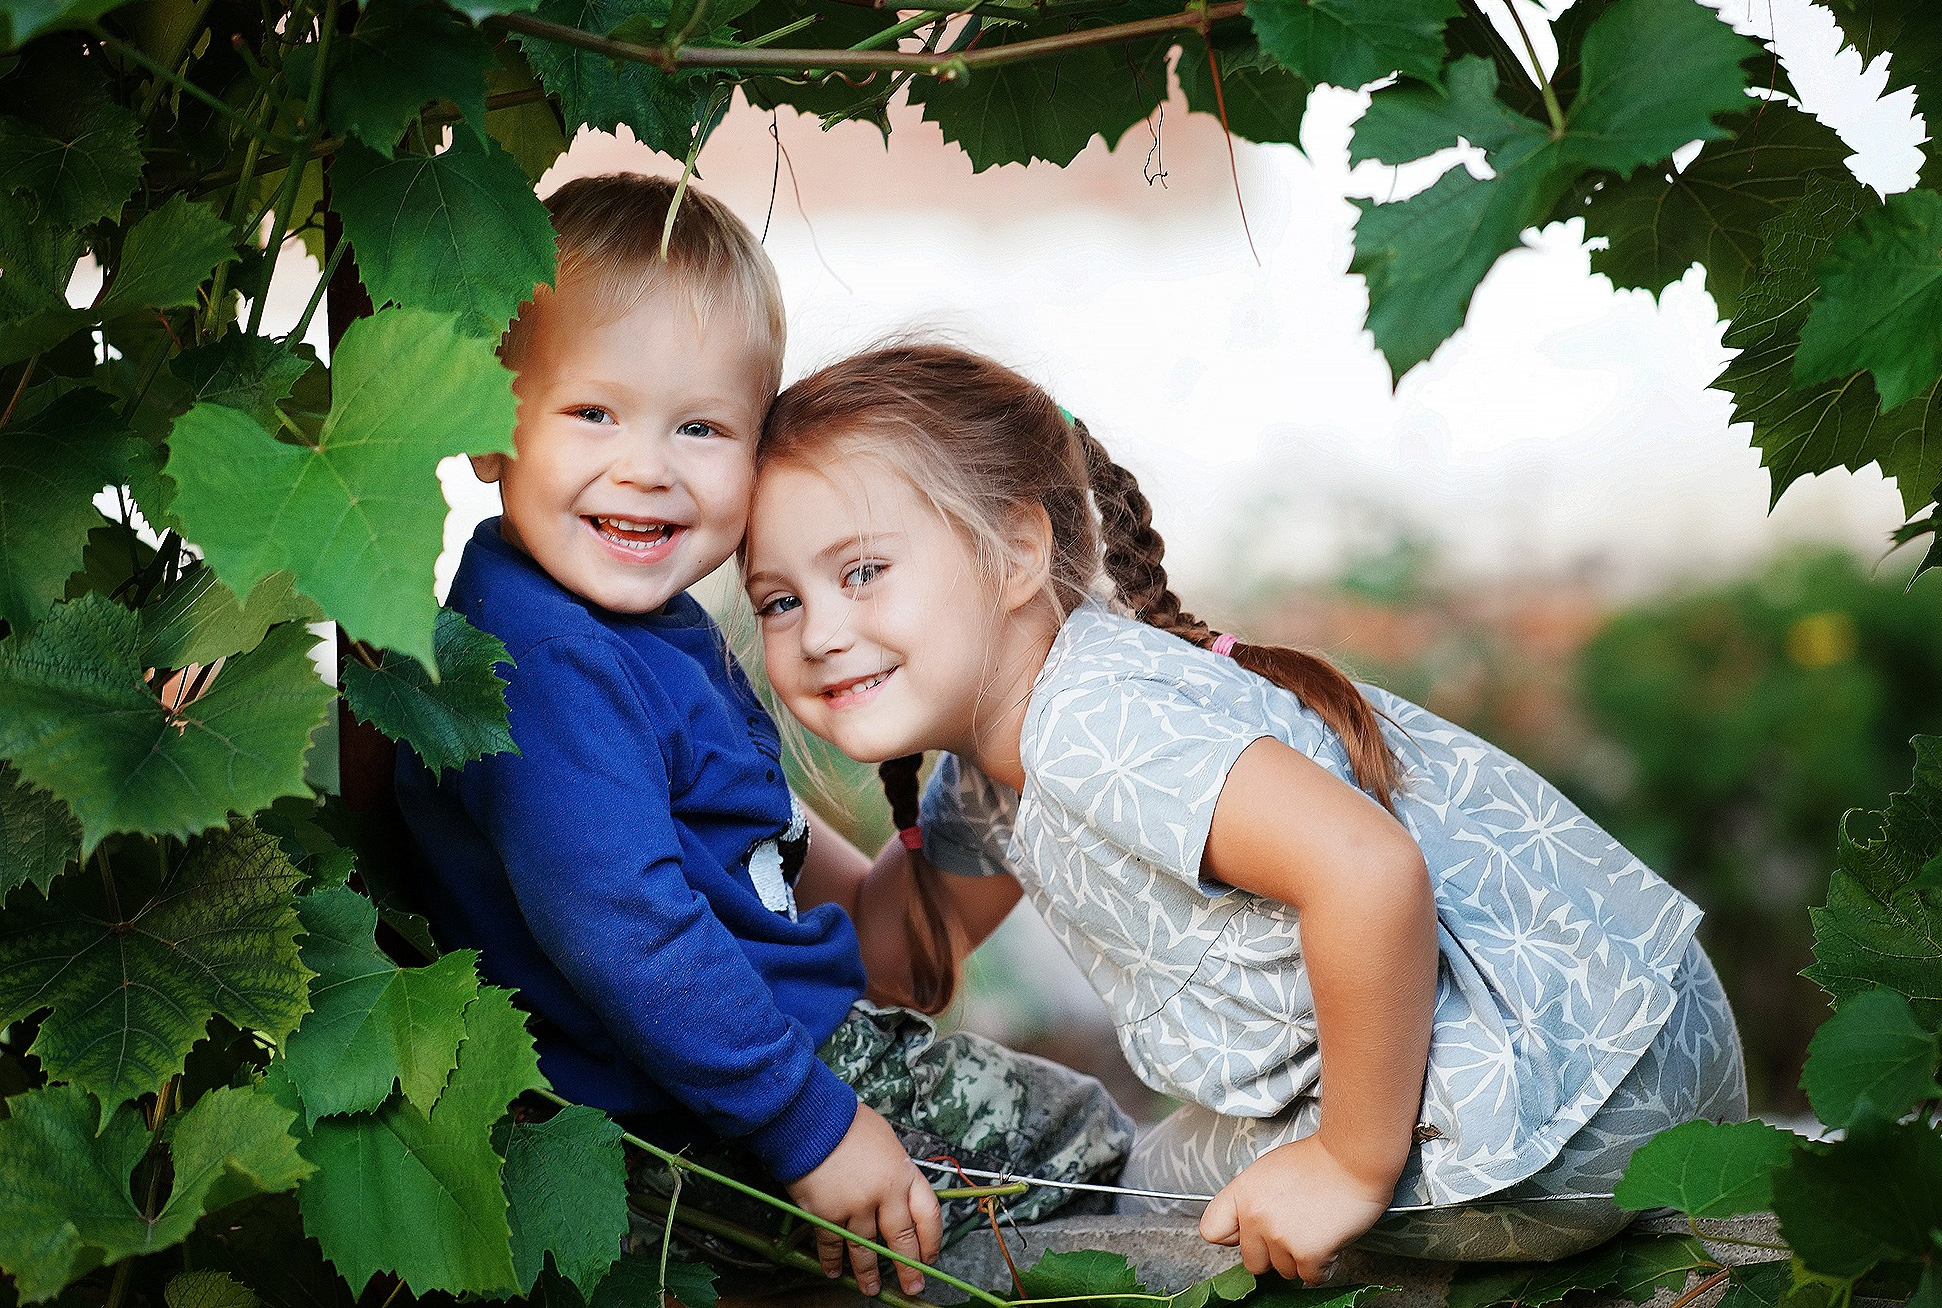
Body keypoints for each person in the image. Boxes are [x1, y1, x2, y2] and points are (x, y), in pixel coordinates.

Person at [739, 343, 1751, 1282]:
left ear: (1013, 552)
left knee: (1138, 1180)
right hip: (1623, 1043)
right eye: (777, 599)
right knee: (1148, 1163)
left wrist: (1348, 1165)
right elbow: (893, 953)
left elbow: (1367, 869)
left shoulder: (1096, 718)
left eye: (861, 570)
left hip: (1563, 1093)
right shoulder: (1001, 765)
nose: (819, 630)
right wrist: (715, 793)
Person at [393, 180, 1131, 1300]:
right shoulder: (539, 660)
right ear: (489, 425)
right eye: (593, 412)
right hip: (719, 1093)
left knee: (1056, 1120)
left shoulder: (639, 630)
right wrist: (813, 1125)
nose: (646, 465)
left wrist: (1003, 754)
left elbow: (836, 906)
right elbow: (627, 928)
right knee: (1093, 1150)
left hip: (758, 1053)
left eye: (699, 427)